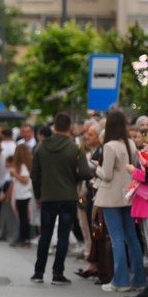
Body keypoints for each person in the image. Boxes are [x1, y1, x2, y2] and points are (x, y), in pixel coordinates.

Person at [30, 112, 92, 285]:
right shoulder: (75, 148)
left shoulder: (41, 147)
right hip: (68, 197)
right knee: (63, 235)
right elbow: (86, 173)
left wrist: (38, 195)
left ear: (54, 127)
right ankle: (58, 273)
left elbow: (34, 175)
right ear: (69, 127)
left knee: (45, 235)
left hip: (47, 196)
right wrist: (74, 178)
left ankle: (38, 272)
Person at [94, 111, 145, 292]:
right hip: (128, 195)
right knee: (132, 237)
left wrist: (97, 167)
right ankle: (139, 278)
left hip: (111, 197)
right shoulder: (130, 143)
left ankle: (120, 280)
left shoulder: (109, 146)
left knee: (117, 238)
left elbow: (106, 175)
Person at [11, 144, 34, 247]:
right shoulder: (26, 165)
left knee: (23, 218)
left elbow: (25, 180)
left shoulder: (22, 166)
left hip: (23, 194)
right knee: (24, 217)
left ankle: (24, 238)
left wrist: (15, 174)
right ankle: (24, 238)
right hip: (24, 194)